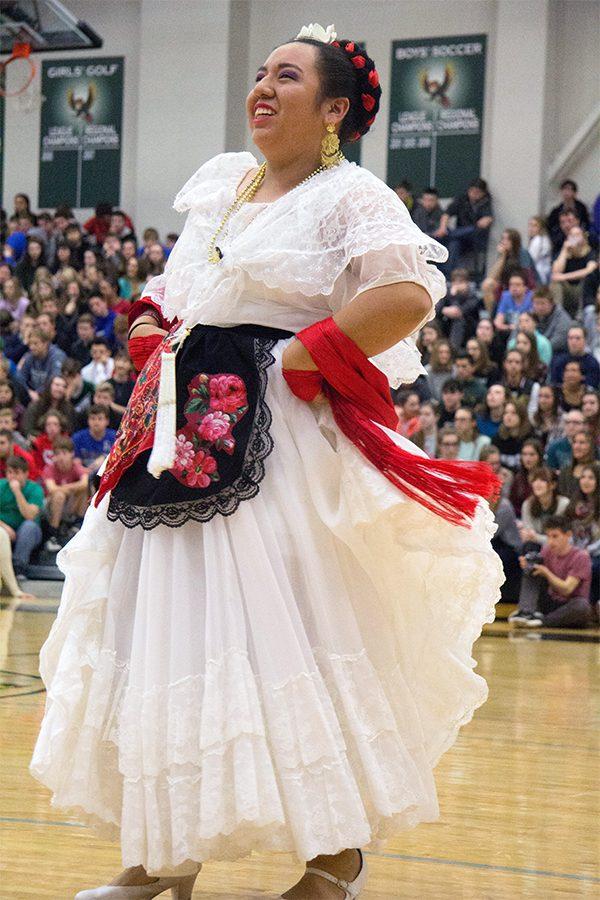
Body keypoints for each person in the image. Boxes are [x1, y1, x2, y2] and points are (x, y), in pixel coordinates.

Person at [29, 27, 503, 900]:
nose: (262, 87)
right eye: (259, 73)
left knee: (299, 625)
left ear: (332, 111)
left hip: (274, 432)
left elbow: (404, 294)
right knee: (162, 621)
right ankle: (160, 855)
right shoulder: (223, 184)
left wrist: (303, 356)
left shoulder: (350, 194)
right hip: (176, 425)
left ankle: (335, 853)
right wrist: (150, 322)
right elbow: (180, 289)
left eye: (286, 76)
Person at [510, 515, 592, 628]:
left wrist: (546, 572)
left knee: (582, 607)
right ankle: (526, 612)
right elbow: (538, 573)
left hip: (569, 604)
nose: (550, 541)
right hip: (551, 601)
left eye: (555, 536)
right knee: (532, 569)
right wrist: (528, 565)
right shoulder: (547, 550)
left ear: (568, 535)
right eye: (548, 536)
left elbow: (567, 589)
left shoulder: (581, 556)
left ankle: (542, 621)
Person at [437, 177, 494, 275]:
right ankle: (448, 274)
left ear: (483, 193)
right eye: (471, 191)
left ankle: (447, 236)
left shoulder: (486, 202)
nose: (473, 195)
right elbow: (447, 214)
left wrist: (484, 221)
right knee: (454, 243)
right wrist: (442, 227)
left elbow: (487, 219)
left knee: (471, 229)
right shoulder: (462, 199)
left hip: (475, 238)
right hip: (460, 236)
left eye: (477, 192)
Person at [0, 454, 44, 580]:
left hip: (28, 533)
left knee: (28, 527)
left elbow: (29, 515)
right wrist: (3, 527)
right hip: (4, 528)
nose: (12, 476)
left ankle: (19, 568)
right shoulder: (1, 486)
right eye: (9, 472)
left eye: (16, 473)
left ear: (26, 473)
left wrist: (17, 492)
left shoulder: (35, 489)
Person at [42, 436, 89, 551]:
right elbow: (52, 489)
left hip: (69, 505)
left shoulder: (75, 466)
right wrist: (70, 489)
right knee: (59, 495)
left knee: (85, 489)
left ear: (72, 454)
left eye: (64, 453)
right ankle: (53, 533)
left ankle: (76, 525)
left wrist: (66, 487)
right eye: (57, 454)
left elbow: (85, 482)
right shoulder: (50, 468)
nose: (61, 457)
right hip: (51, 507)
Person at [565, 464, 600, 609]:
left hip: (595, 552)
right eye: (583, 477)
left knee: (593, 565)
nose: (586, 481)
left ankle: (590, 605)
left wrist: (587, 551)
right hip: (577, 550)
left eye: (591, 478)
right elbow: (570, 532)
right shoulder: (574, 504)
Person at [481, 229, 537, 313]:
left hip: (523, 284)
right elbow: (492, 276)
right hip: (507, 284)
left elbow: (526, 276)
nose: (504, 242)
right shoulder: (504, 254)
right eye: (503, 239)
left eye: (507, 239)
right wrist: (502, 256)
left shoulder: (522, 253)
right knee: (487, 284)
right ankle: (491, 317)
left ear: (514, 241)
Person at [550, 225, 598, 318]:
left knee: (586, 280)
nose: (574, 237)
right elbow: (556, 272)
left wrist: (564, 276)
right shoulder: (563, 253)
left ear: (583, 237)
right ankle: (557, 315)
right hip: (568, 290)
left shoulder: (590, 252)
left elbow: (589, 270)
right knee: (555, 283)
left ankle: (579, 317)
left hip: (582, 289)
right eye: (571, 235)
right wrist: (564, 250)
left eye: (577, 235)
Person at [519, 467, 569, 549]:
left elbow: (561, 539)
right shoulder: (527, 504)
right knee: (529, 546)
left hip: (559, 548)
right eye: (535, 480)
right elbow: (528, 534)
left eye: (543, 480)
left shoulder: (563, 504)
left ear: (553, 485)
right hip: (536, 545)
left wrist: (536, 538)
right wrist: (534, 537)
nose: (537, 484)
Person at [17, 327, 66, 402]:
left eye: (35, 343)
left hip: (51, 397)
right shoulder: (29, 356)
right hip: (33, 396)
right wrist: (29, 392)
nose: (32, 347)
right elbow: (20, 377)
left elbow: (54, 378)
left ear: (45, 343)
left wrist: (38, 393)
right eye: (30, 344)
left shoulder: (57, 356)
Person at [437, 267, 480, 348]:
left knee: (458, 321)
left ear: (467, 283)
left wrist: (454, 296)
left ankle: (453, 349)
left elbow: (458, 312)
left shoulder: (473, 295)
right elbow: (437, 308)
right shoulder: (447, 291)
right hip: (448, 323)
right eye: (455, 282)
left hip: (469, 325)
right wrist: (443, 310)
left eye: (460, 282)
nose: (457, 285)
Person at [550, 324, 600, 389]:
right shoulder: (558, 361)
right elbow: (554, 385)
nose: (573, 342)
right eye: (570, 338)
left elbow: (591, 387)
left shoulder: (592, 363)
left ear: (585, 340)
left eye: (577, 338)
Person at [71, 404, 117, 474]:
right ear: (88, 420)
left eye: (100, 419)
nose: (96, 422)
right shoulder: (77, 438)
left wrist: (105, 459)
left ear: (107, 421)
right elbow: (75, 461)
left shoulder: (115, 437)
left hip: (107, 475)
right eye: (93, 418)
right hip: (83, 475)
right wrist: (84, 472)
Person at [546, 180, 591, 248]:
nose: (566, 192)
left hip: (579, 235)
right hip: (561, 238)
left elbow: (586, 223)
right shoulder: (556, 210)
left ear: (574, 192)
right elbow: (550, 226)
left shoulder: (581, 208)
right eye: (564, 189)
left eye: (569, 189)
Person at [492, 400, 532, 471]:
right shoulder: (497, 438)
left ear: (521, 416)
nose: (508, 416)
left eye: (513, 413)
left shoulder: (530, 438)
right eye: (506, 413)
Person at [532, 287, 573, 355]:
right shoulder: (530, 316)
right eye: (536, 303)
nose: (539, 307)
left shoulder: (562, 318)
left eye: (543, 303)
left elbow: (557, 342)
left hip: (557, 353)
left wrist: (535, 349)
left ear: (551, 304)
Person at [508, 439, 543, 516]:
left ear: (539, 456)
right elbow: (512, 502)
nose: (528, 458)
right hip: (519, 519)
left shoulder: (546, 477)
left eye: (532, 454)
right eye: (524, 454)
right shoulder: (518, 477)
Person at [557, 430, 598, 495]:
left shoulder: (597, 468)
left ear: (591, 446)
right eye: (574, 442)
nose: (576, 446)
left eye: (582, 443)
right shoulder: (565, 471)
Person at [493, 271, 533, 336]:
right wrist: (510, 327)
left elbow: (531, 324)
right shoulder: (505, 296)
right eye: (511, 284)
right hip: (509, 331)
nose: (514, 288)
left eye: (518, 285)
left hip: (528, 333)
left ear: (525, 287)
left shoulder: (532, 297)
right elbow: (498, 322)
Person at [527, 216, 552, 285]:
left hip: (539, 276)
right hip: (545, 274)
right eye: (530, 225)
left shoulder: (537, 240)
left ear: (541, 228)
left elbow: (530, 261)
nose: (531, 228)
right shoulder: (545, 239)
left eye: (535, 226)